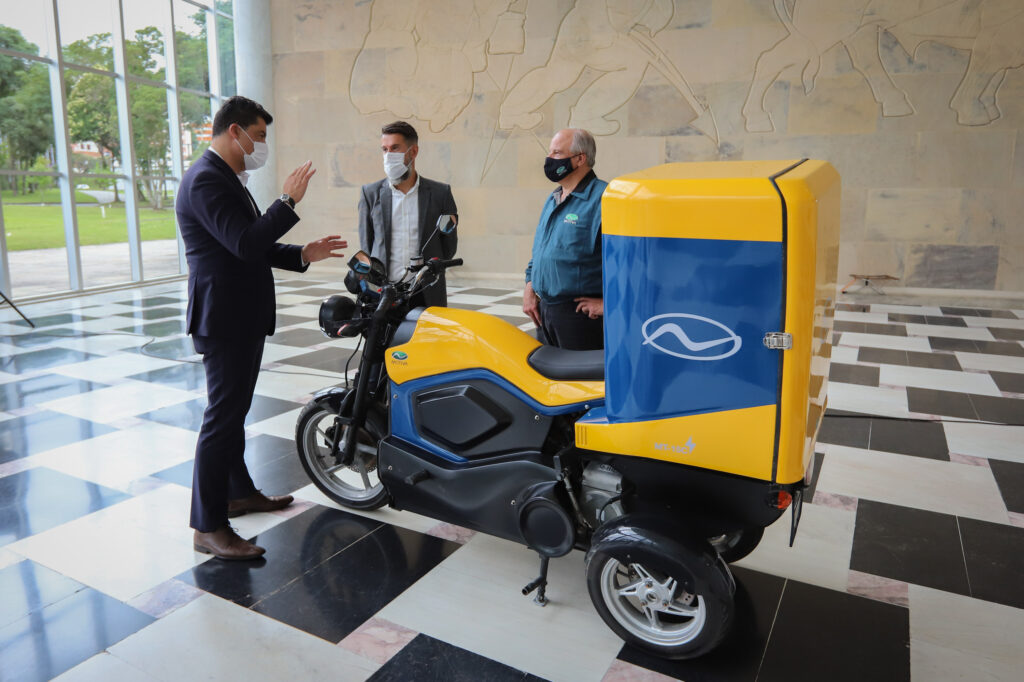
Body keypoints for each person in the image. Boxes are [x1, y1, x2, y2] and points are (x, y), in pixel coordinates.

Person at [177, 96, 347, 560]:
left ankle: (238, 494)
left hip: (238, 315)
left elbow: (251, 244)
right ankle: (208, 525)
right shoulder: (206, 180)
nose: (262, 145)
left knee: (233, 413)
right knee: (222, 419)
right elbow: (245, 244)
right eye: (260, 135)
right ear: (236, 131)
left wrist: (301, 254)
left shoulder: (226, 178)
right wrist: (288, 200)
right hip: (224, 318)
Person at [523, 128, 607, 350]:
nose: (549, 159)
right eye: (550, 152)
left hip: (579, 318)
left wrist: (608, 305)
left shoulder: (604, 199)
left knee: (577, 383)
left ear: (580, 159)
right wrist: (530, 286)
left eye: (557, 153)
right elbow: (540, 250)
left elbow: (628, 262)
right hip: (545, 312)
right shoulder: (554, 198)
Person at [357, 121, 458, 306]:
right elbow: (367, 245)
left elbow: (449, 247)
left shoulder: (440, 193)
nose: (388, 156)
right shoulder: (370, 194)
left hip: (427, 291)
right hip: (385, 293)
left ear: (413, 152)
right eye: (384, 149)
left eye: (395, 148)